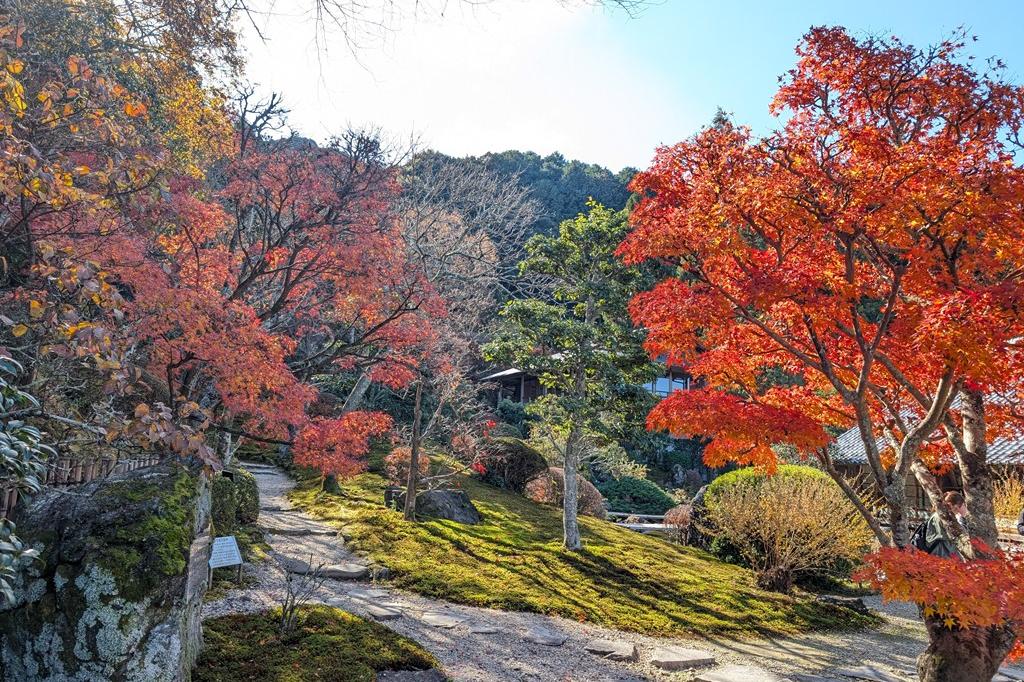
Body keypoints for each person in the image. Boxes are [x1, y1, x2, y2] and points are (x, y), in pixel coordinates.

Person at [924, 491, 968, 558]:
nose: (965, 508)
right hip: (942, 556)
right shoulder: (944, 517)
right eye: (964, 505)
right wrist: (962, 519)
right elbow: (961, 536)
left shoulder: (940, 515)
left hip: (940, 554)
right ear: (954, 506)